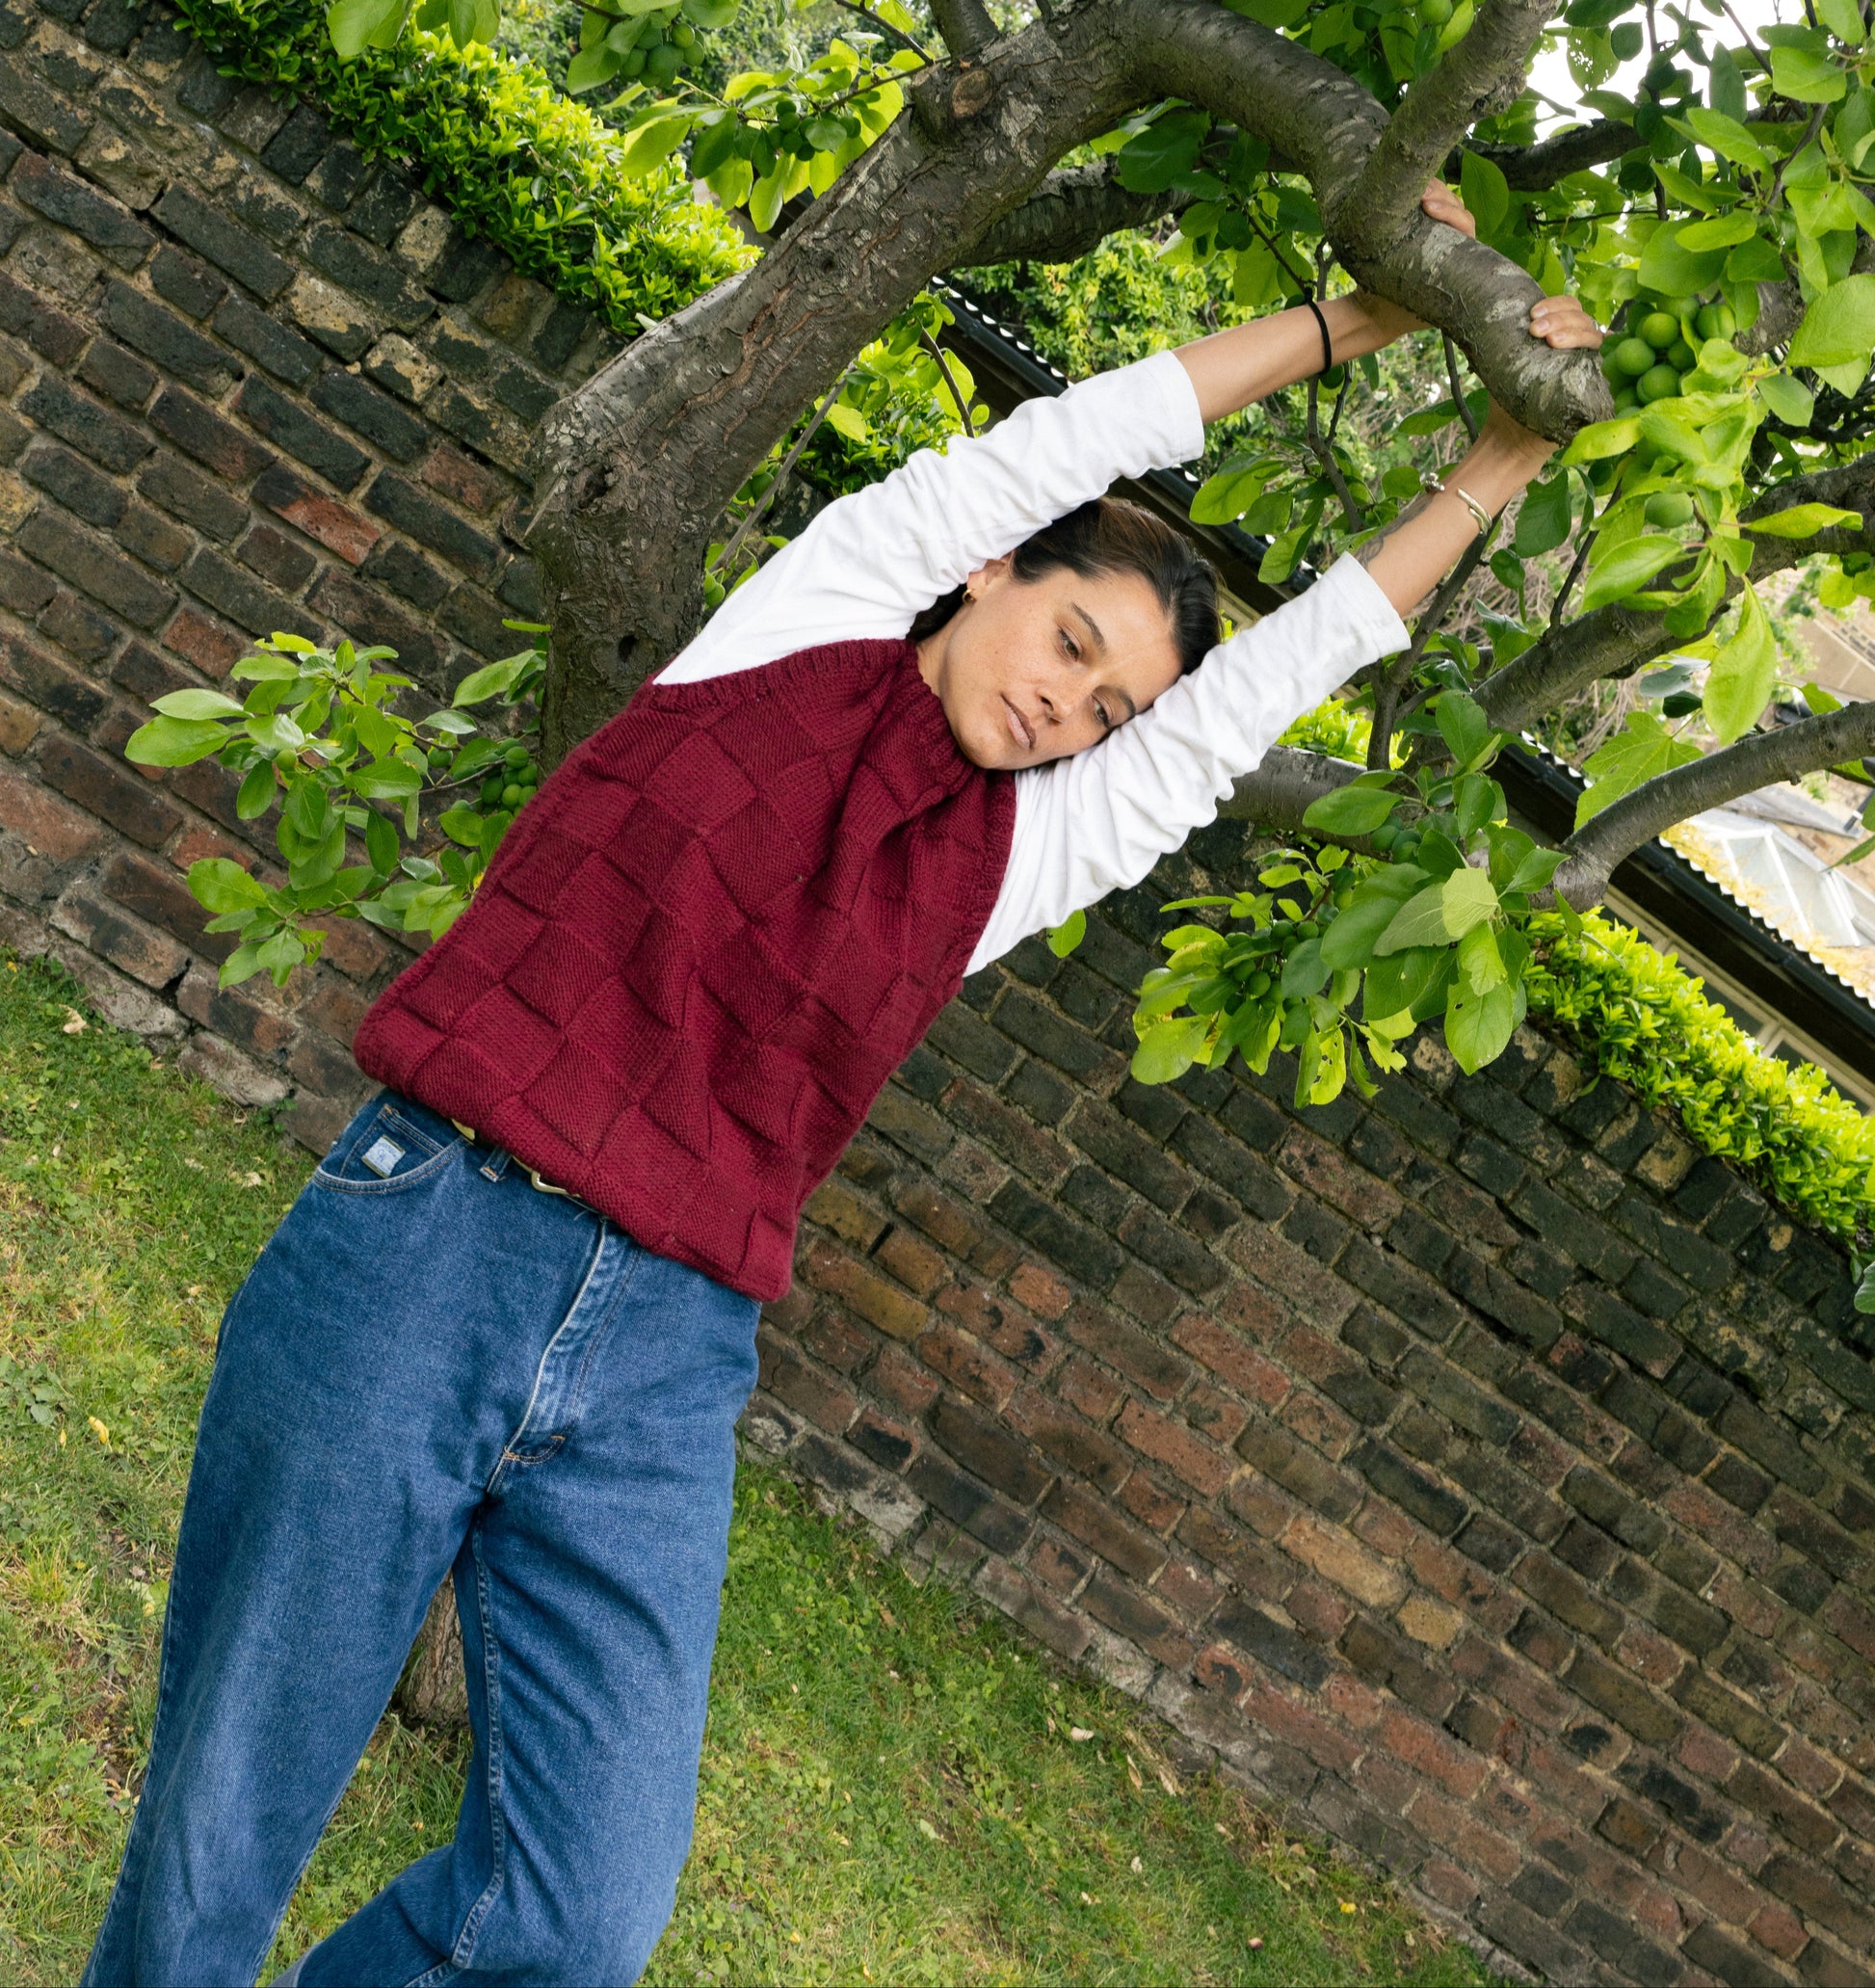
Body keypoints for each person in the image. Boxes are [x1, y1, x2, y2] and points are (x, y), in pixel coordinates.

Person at [83, 181, 1599, 1987]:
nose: (1074, 709)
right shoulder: (802, 624)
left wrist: (1495, 467)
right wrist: (1373, 314)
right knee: (223, 1828)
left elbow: (1258, 697)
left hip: (663, 1356)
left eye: (1111, 708)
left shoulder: (1010, 862)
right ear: (987, 573)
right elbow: (1095, 429)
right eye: (1070, 648)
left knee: (579, 1918)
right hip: (434, 1239)